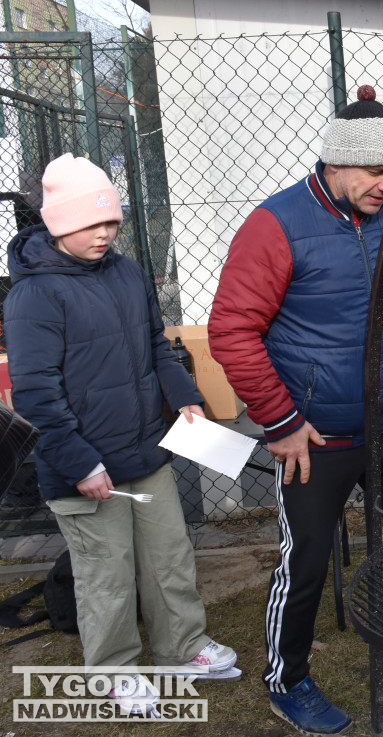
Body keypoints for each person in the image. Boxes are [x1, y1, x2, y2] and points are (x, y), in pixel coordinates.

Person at [209, 85, 383, 735]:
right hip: (314, 434)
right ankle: (289, 678)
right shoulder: (275, 225)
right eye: (376, 171)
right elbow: (232, 330)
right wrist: (280, 423)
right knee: (306, 560)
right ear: (334, 163)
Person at [4, 153, 238, 715]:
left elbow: (157, 346)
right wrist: (81, 463)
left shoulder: (128, 272)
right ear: (59, 223)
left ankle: (182, 649)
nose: (106, 233)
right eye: (92, 223)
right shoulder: (33, 296)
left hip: (145, 452)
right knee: (106, 575)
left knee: (169, 558)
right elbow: (36, 394)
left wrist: (185, 397)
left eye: (111, 222)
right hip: (81, 468)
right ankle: (113, 672)